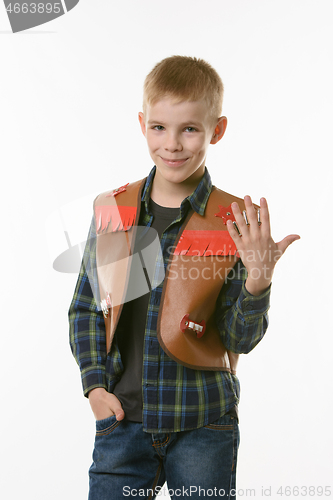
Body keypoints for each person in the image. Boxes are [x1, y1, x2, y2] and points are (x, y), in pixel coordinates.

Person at [69, 55, 300, 500]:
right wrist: (96, 388)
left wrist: (258, 282)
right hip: (121, 424)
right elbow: (85, 309)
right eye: (159, 127)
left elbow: (239, 339)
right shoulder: (114, 209)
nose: (172, 143)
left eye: (189, 129)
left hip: (203, 423)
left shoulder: (235, 222)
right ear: (142, 123)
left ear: (217, 129)